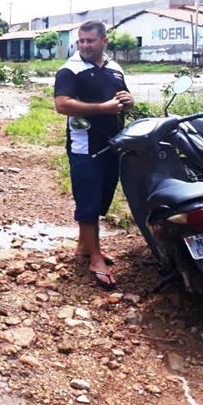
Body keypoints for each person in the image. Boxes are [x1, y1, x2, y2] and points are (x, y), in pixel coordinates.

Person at [54, 20, 134, 290]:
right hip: (84, 146)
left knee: (102, 198)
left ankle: (83, 247)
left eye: (90, 40)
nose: (84, 45)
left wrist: (128, 102)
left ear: (103, 42)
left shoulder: (114, 69)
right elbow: (62, 104)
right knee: (88, 199)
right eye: (81, 41)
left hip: (112, 144)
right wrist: (103, 108)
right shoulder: (70, 70)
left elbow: (121, 99)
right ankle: (96, 257)